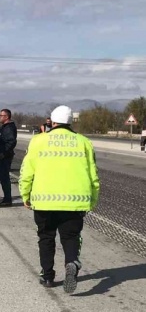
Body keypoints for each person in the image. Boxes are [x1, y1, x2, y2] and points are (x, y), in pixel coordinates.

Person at [20, 106, 99, 293]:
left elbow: (26, 172)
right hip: (74, 201)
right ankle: (71, 262)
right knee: (71, 237)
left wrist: (25, 194)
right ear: (70, 121)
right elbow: (93, 174)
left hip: (44, 201)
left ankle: (47, 276)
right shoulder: (84, 142)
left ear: (52, 122)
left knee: (46, 237)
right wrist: (92, 199)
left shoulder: (38, 141)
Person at [0, 109, 18, 207]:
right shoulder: (4, 127)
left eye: (1, 115)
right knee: (3, 177)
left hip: (5, 156)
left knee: (4, 178)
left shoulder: (9, 128)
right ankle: (6, 198)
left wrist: (4, 152)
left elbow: (12, 141)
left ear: (7, 117)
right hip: (2, 155)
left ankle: (7, 199)